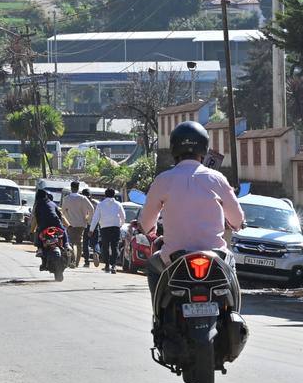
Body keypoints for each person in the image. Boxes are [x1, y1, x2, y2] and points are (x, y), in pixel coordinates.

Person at [139, 121, 245, 296]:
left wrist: (149, 228)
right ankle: (234, 315)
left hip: (173, 257)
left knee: (153, 265)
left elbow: (147, 221)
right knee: (231, 268)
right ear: (203, 148)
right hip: (215, 255)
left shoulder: (163, 180)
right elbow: (236, 219)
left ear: (174, 148)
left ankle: (159, 317)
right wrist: (237, 224)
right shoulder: (217, 178)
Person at [60, 181, 94, 267]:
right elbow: (91, 209)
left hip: (69, 224)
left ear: (71, 188)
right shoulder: (83, 198)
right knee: (79, 243)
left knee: (70, 242)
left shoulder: (66, 199)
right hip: (81, 224)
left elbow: (63, 211)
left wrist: (64, 221)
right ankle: (77, 262)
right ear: (78, 188)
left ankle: (71, 260)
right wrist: (87, 219)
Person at [93, 188, 126, 274]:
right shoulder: (118, 204)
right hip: (115, 228)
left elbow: (96, 218)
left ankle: (107, 265)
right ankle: (114, 265)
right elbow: (123, 216)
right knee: (114, 247)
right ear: (114, 194)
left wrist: (91, 229)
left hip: (104, 228)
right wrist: (120, 224)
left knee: (105, 246)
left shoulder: (100, 205)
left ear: (105, 195)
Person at [32, 189, 67, 271]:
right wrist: (64, 225)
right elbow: (60, 216)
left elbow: (37, 219)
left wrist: (32, 231)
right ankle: (67, 244)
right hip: (56, 223)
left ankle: (40, 248)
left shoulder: (38, 205)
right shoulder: (53, 204)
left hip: (44, 225)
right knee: (63, 231)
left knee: (39, 234)